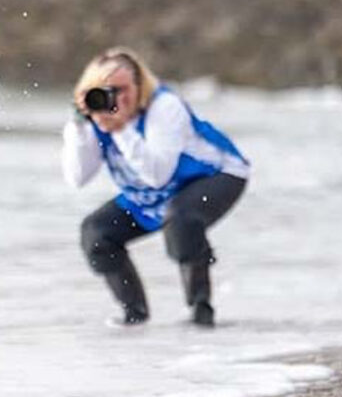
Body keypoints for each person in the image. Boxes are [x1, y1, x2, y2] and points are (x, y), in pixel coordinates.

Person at [62, 47, 249, 327]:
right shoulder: (96, 117)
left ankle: (201, 312)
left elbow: (157, 174)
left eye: (124, 89)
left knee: (181, 221)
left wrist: (120, 129)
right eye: (108, 90)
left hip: (215, 175)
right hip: (153, 193)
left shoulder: (164, 107)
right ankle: (134, 315)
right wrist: (79, 128)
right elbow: (78, 178)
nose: (118, 98)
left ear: (140, 86)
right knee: (96, 233)